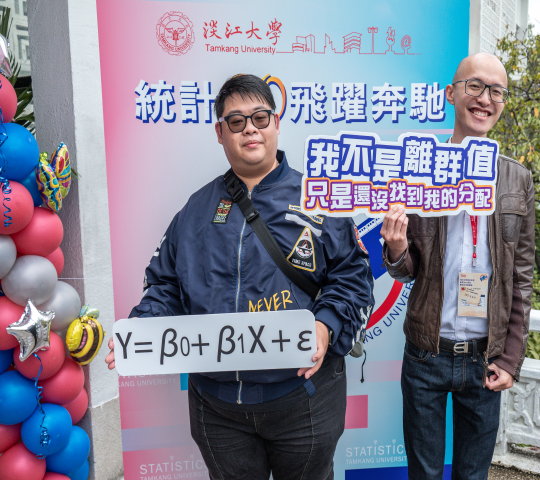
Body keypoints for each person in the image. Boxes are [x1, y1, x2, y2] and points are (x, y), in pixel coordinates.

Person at [105, 74, 375, 480]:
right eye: (236, 121)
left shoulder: (319, 200)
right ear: (220, 133)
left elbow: (353, 279)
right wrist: (144, 326)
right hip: (218, 411)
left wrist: (325, 325)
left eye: (260, 118)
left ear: (276, 123)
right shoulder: (196, 210)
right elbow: (165, 285)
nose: (250, 128)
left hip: (304, 399)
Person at [380, 53, 535, 480]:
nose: (485, 99)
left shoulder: (517, 179)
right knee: (424, 474)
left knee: (473, 475)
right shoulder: (418, 170)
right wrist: (396, 249)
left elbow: (522, 275)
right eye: (475, 86)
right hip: (426, 354)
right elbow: (407, 269)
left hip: (485, 358)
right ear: (451, 93)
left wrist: (511, 358)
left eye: (497, 91)